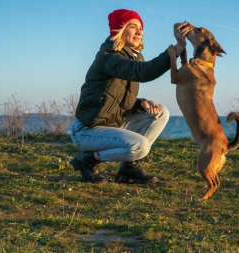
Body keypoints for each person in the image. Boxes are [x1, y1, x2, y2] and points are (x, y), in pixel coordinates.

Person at [69, 9, 190, 183]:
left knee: (161, 112)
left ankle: (128, 169)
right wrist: (176, 49)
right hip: (88, 130)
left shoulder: (133, 58)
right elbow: (143, 72)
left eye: (141, 28)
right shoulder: (108, 57)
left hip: (112, 125)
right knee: (140, 146)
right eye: (133, 26)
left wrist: (141, 104)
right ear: (119, 30)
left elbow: (116, 99)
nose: (140, 32)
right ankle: (87, 160)